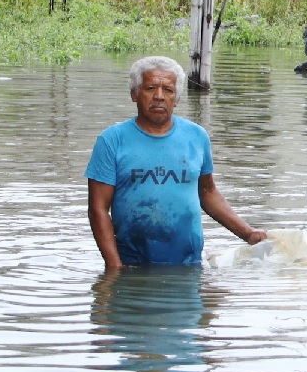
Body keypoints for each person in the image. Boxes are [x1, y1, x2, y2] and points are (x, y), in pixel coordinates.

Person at [86, 56, 266, 269]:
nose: (159, 96)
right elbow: (98, 208)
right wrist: (115, 267)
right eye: (150, 88)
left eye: (168, 90)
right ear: (134, 94)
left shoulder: (196, 137)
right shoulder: (112, 140)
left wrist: (248, 233)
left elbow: (207, 192)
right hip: (132, 265)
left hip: (188, 264)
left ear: (177, 98)